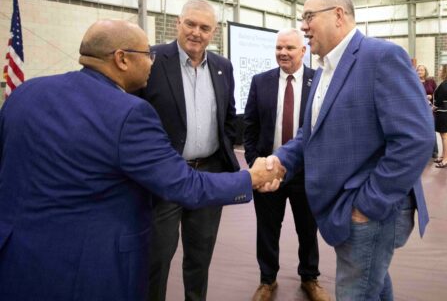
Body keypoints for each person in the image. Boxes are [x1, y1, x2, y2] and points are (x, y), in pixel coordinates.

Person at [0, 20, 284, 301]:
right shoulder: (130, 113)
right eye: (147, 54)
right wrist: (252, 177)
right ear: (122, 59)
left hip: (16, 259)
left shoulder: (25, 93)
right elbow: (185, 186)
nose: (152, 62)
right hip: (86, 269)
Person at [266, 0, 434, 300]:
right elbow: (309, 133)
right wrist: (281, 160)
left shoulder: (381, 57)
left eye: (309, 17)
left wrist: (367, 205)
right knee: (375, 284)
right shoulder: (324, 70)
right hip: (345, 209)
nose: (303, 26)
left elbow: (416, 139)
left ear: (339, 16)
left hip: (369, 212)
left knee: (356, 292)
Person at [139, 0, 239, 301]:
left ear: (214, 32)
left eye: (204, 28)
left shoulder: (223, 67)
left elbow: (229, 116)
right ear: (177, 23)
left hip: (208, 175)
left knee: (200, 256)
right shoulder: (152, 59)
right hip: (165, 178)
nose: (196, 32)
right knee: (156, 258)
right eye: (190, 24)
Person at [244, 28, 329, 301]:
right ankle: (267, 281)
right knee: (267, 229)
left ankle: (310, 278)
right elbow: (250, 127)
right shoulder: (261, 82)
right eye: (279, 47)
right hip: (268, 173)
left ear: (303, 51)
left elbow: (323, 127)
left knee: (308, 228)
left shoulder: (319, 82)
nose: (283, 52)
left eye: (289, 48)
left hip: (307, 173)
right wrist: (255, 164)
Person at [416, 64, 438, 158]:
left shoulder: (431, 81)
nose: (420, 72)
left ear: (425, 71)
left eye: (422, 70)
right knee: (418, 131)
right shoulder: (413, 81)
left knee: (431, 130)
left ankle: (434, 151)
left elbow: (437, 93)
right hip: (417, 109)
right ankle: (420, 151)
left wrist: (431, 96)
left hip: (429, 109)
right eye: (418, 70)